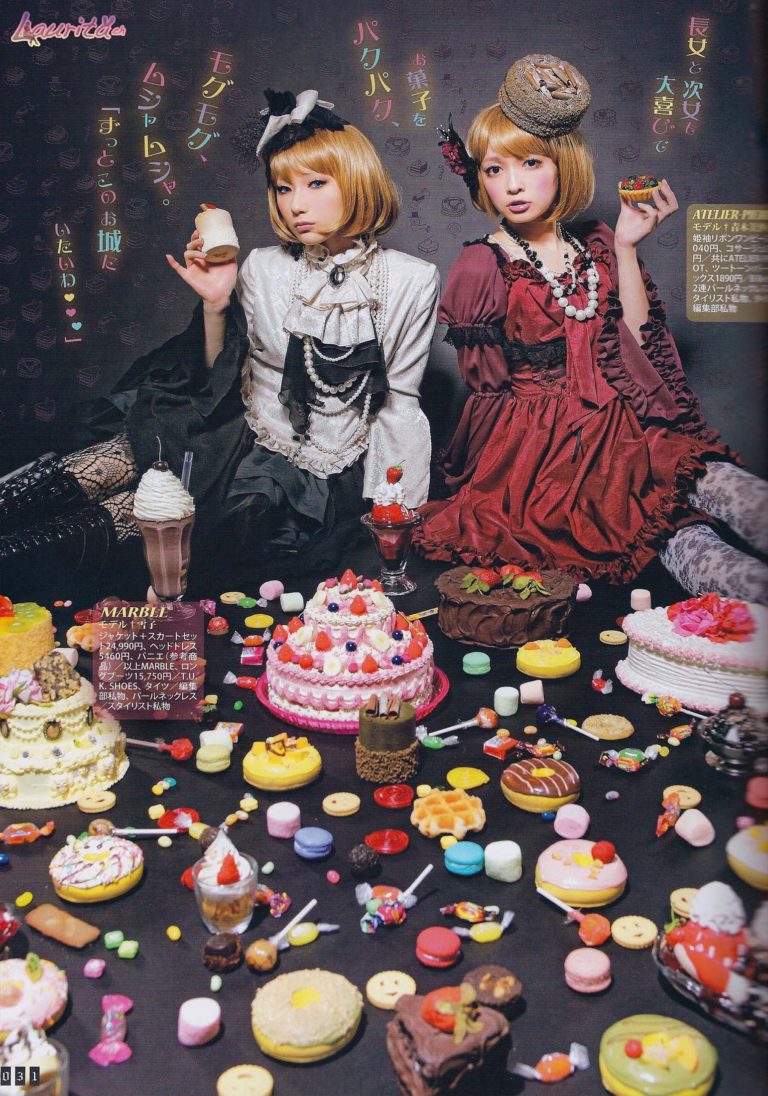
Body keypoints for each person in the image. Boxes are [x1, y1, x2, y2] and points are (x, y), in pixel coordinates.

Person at [0, 89, 439, 590]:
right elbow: (216, 378)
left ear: (357, 180)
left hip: (309, 477)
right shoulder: (262, 267)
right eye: (282, 188)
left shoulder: (412, 278)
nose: (296, 204)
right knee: (105, 466)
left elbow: (399, 401)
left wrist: (395, 513)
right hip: (230, 431)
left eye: (316, 183)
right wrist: (216, 303)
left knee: (143, 516)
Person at [414, 54, 768, 602]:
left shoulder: (597, 241)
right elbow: (487, 392)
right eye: (494, 169)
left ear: (563, 164)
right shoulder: (480, 264)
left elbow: (640, 344)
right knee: (685, 541)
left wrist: (626, 247)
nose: (512, 185)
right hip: (545, 454)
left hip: (626, 423)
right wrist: (504, 482)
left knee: (729, 485)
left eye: (530, 163)